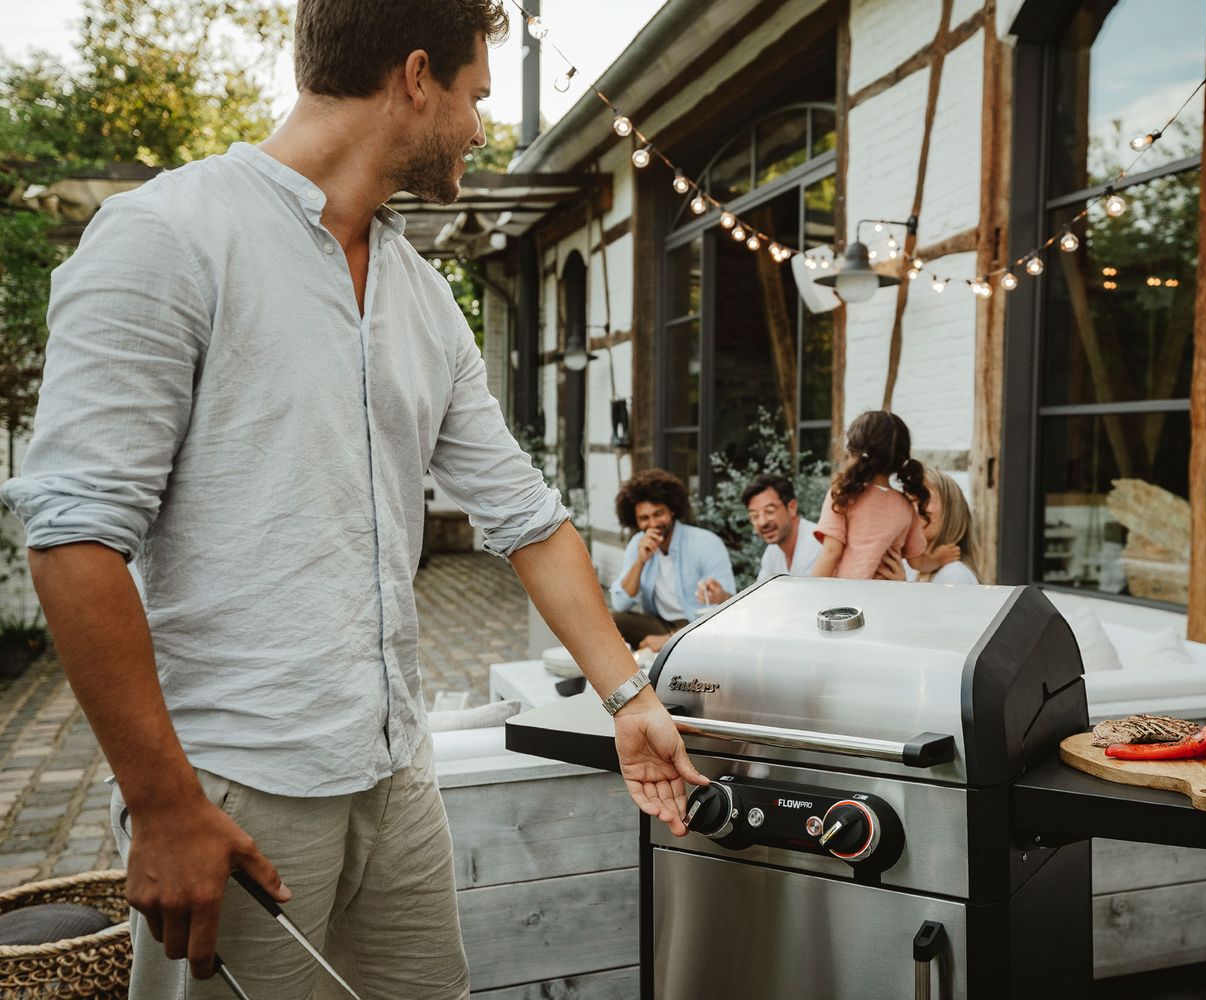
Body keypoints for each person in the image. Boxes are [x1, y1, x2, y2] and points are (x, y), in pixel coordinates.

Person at [0, 4, 707, 997]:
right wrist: (161, 804)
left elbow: (528, 519)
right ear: (415, 77)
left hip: (395, 774)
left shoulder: (422, 296)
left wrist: (629, 700)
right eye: (474, 97)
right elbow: (75, 539)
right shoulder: (166, 236)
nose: (480, 127)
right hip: (236, 788)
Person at [810, 410, 958, 580]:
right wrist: (939, 558)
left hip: (848, 592)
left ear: (854, 452)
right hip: (887, 593)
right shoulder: (906, 506)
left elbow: (831, 551)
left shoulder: (843, 495)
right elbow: (918, 562)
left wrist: (811, 590)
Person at [610, 469, 736, 651]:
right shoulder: (638, 544)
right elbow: (620, 604)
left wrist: (668, 639)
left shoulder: (706, 543)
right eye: (644, 518)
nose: (653, 523)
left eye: (658, 514)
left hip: (699, 625)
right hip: (660, 623)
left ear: (672, 510)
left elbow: (729, 608)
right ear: (635, 521)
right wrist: (640, 562)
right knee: (610, 620)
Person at [907, 470, 981, 584]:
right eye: (909, 500)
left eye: (923, 499)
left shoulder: (954, 574)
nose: (912, 508)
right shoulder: (909, 567)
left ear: (950, 512)